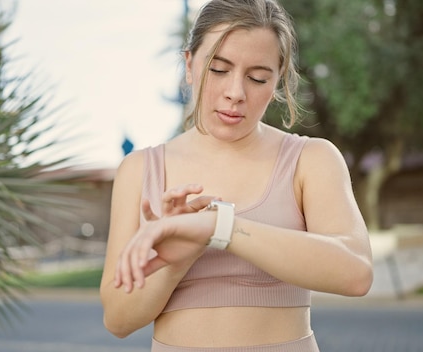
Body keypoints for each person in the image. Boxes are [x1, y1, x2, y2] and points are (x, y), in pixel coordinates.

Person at [100, 0, 373, 350]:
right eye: (218, 69)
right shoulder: (140, 170)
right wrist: (176, 259)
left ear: (278, 79)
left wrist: (220, 227)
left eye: (258, 77)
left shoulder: (311, 159)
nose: (235, 93)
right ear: (189, 65)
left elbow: (356, 273)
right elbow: (118, 320)